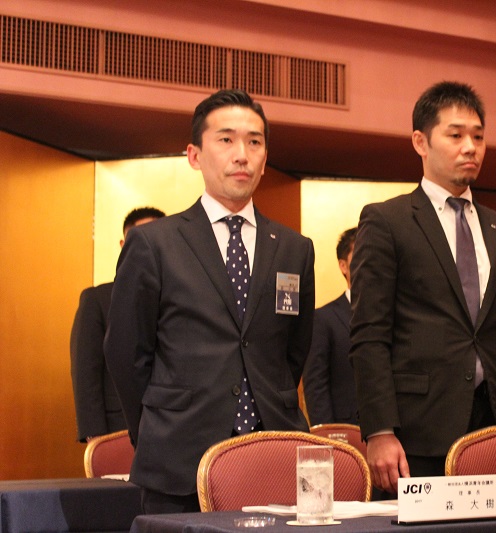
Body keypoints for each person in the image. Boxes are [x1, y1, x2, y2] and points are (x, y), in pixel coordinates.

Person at [104, 89, 315, 513]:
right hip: (177, 458)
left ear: (265, 157)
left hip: (274, 453)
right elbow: (126, 351)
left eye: (254, 142)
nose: (242, 155)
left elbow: (293, 350)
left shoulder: (294, 248)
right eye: (226, 139)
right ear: (194, 155)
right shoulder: (155, 243)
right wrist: (154, 427)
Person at [349, 81, 496, 494]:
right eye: (455, 135)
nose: (470, 147)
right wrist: (379, 429)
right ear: (421, 142)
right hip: (417, 430)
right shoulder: (388, 221)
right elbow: (369, 335)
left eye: (478, 137)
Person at [70, 206, 165, 443]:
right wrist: (95, 437)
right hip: (117, 428)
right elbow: (86, 373)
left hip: (171, 427)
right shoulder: (97, 299)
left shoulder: (182, 297)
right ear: (124, 245)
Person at [302, 228, 358, 426]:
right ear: (343, 265)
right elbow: (316, 386)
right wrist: (327, 436)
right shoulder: (323, 319)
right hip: (344, 429)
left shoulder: (391, 314)